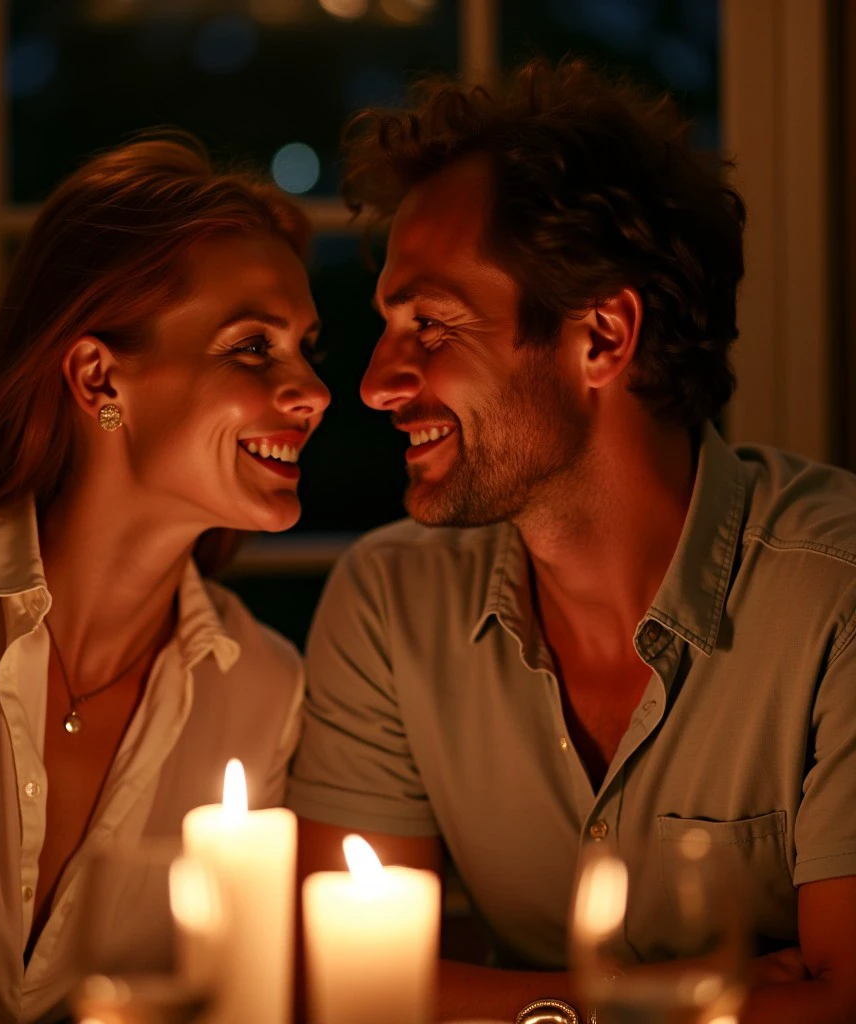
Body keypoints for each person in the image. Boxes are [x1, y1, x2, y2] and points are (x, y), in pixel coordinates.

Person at [288, 59, 856, 1023]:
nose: (379, 382)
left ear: (602, 336)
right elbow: (342, 989)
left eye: (430, 324)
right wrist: (653, 1005)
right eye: (390, 325)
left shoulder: (834, 596)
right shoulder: (392, 607)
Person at [0, 136, 330, 1023]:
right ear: (100, 375)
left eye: (304, 346)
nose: (314, 391)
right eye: (253, 347)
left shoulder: (262, 690)